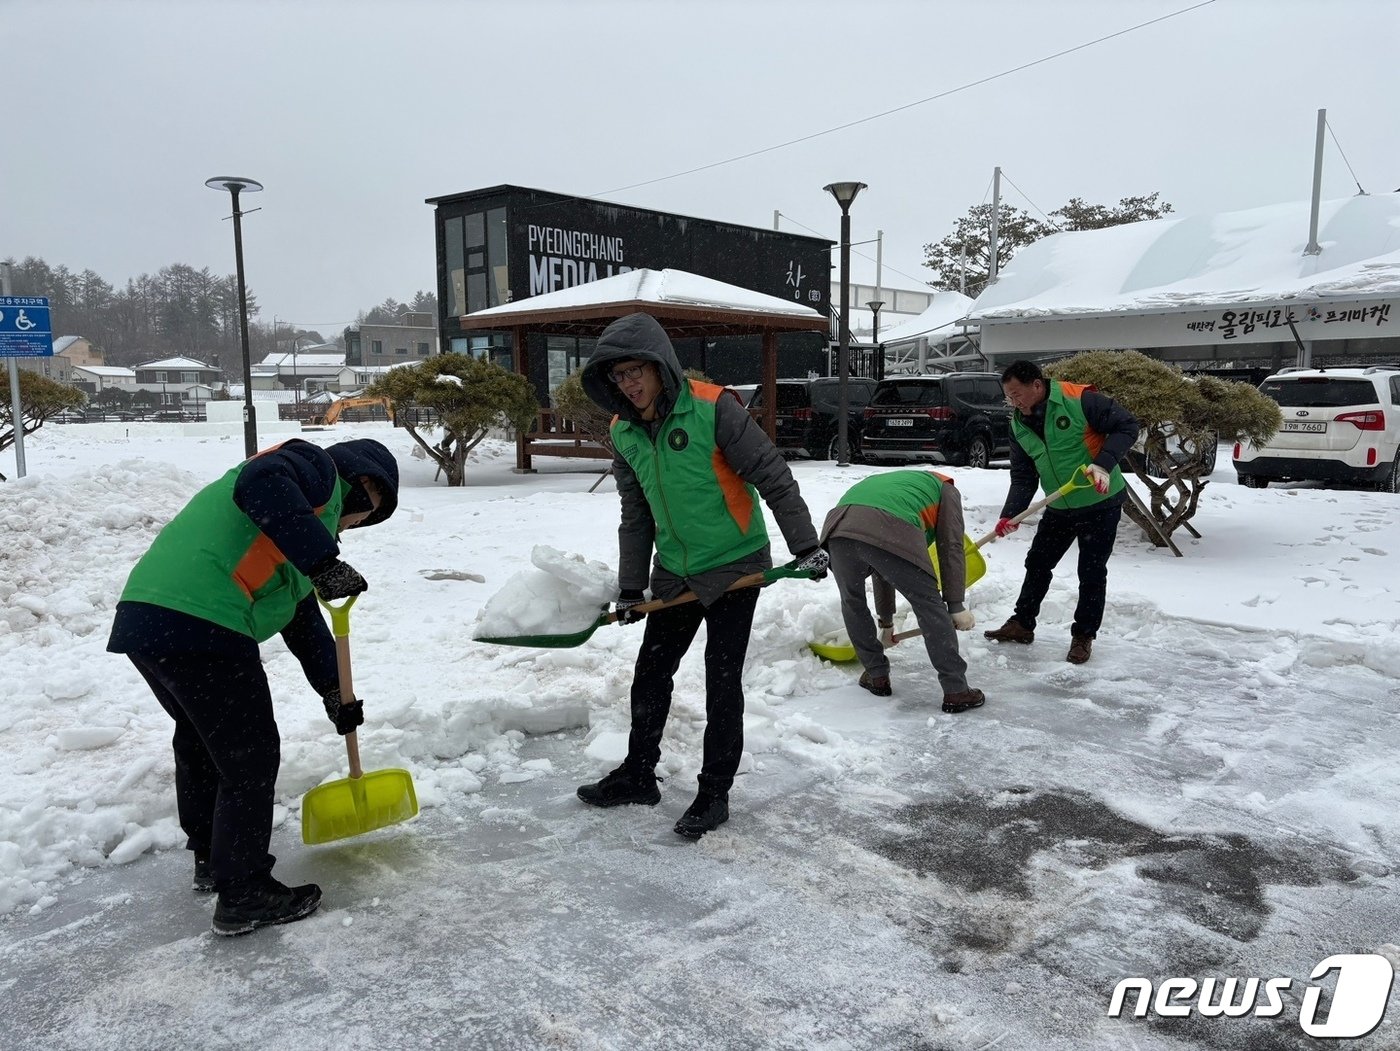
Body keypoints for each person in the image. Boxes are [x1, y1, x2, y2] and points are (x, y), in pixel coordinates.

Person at [107, 438, 399, 936]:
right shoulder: (312, 468)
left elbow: (303, 621)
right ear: (365, 484)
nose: (356, 527)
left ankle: (211, 858)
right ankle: (243, 891)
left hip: (151, 618)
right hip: (202, 619)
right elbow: (258, 482)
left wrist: (335, 691)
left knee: (202, 742)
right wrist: (323, 561)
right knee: (250, 757)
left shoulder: (290, 534)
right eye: (367, 516)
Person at [576, 312, 827, 840]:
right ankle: (638, 775)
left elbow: (773, 476)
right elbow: (636, 515)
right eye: (618, 376)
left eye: (636, 370)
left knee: (721, 678)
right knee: (651, 672)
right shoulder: (624, 433)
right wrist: (629, 588)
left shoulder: (715, 409)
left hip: (736, 562)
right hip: (674, 569)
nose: (629, 383)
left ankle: (714, 793)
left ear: (659, 365)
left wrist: (806, 547)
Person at [983, 360, 1139, 664]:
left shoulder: (1078, 400)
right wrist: (1011, 514)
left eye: (1018, 395)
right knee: (1037, 562)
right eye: (1009, 398)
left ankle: (1083, 636)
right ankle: (1022, 624)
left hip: (1099, 501)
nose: (1014, 403)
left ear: (1037, 386)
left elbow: (1127, 426)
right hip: (1058, 504)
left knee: (1091, 571)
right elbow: (1024, 475)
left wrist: (1103, 463)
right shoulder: (1018, 423)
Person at [820, 470, 986, 713]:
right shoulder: (947, 489)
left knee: (852, 601)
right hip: (889, 527)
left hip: (838, 530)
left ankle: (876, 675)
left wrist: (886, 624)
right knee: (928, 604)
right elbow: (950, 547)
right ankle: (956, 690)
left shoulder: (885, 484)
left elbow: (881, 567)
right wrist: (955, 605)